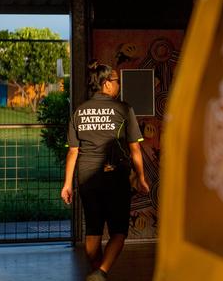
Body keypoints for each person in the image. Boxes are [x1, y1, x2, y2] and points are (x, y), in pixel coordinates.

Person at [61, 60, 150, 281]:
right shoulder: (123, 109)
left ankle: (97, 272)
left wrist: (67, 184)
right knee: (119, 230)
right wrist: (140, 177)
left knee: (93, 229)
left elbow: (73, 152)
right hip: (115, 177)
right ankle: (101, 271)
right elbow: (135, 147)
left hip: (87, 178)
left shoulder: (79, 112)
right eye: (116, 80)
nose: (118, 84)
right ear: (107, 84)